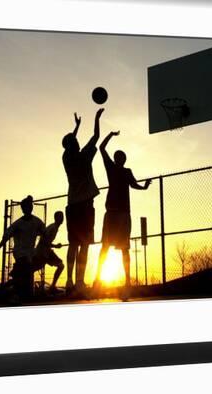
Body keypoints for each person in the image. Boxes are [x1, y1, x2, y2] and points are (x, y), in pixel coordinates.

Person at [93, 131, 151, 294]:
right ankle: (98, 279)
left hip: (122, 214)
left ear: (123, 160)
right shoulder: (112, 168)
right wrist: (110, 134)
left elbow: (134, 185)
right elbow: (102, 147)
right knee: (106, 247)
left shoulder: (126, 171)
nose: (118, 159)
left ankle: (126, 281)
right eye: (117, 156)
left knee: (123, 248)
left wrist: (144, 187)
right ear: (117, 159)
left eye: (120, 157)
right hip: (112, 213)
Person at [62, 108, 104, 295]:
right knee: (84, 245)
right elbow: (96, 135)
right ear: (74, 144)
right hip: (85, 206)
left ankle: (70, 281)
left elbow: (69, 141)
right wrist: (96, 118)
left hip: (73, 206)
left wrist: (76, 127)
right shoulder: (84, 155)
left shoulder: (66, 157)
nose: (77, 140)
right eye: (75, 140)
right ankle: (79, 281)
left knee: (73, 244)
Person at [0, 195, 45, 301]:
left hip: (30, 253)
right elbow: (6, 236)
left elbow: (45, 234)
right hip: (20, 253)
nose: (28, 209)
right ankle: (15, 286)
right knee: (25, 267)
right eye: (26, 207)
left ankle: (10, 288)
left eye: (30, 206)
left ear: (31, 207)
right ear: (23, 209)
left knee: (24, 275)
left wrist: (47, 246)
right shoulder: (18, 224)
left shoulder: (37, 222)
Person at [32, 211, 65, 294]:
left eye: (62, 217)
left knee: (60, 265)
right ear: (56, 218)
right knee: (34, 268)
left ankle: (52, 286)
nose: (62, 219)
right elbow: (44, 241)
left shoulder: (55, 228)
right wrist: (55, 246)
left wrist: (53, 246)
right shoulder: (53, 228)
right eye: (60, 217)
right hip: (42, 252)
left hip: (46, 251)